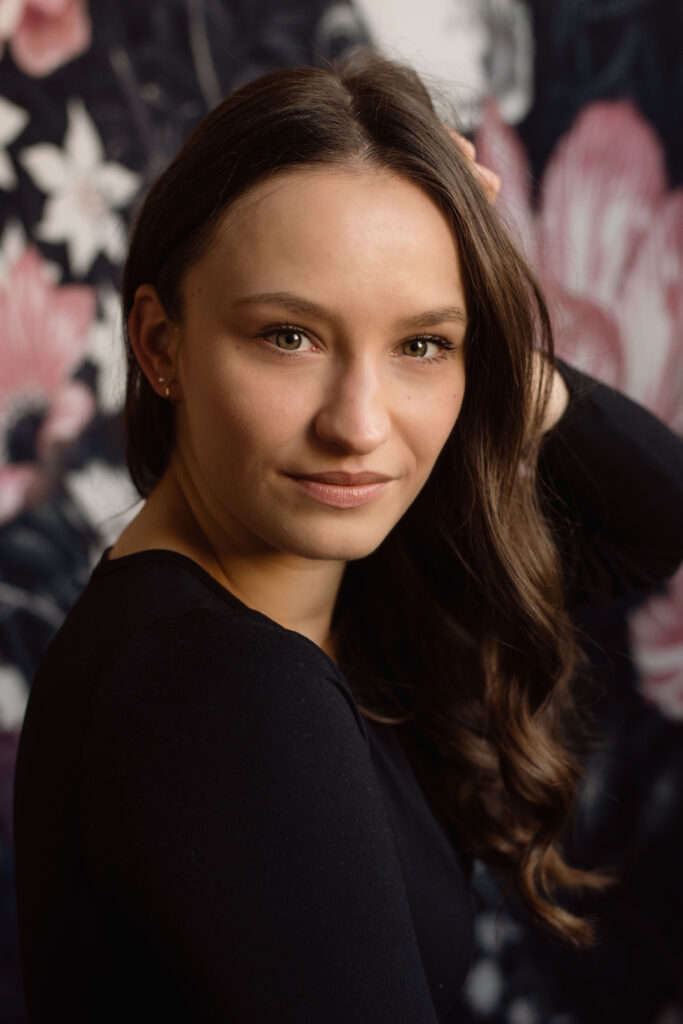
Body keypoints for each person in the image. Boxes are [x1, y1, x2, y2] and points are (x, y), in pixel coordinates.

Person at [12, 49, 683, 1023]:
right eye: (289, 336)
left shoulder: (341, 596)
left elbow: (652, 517)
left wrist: (469, 301)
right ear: (160, 344)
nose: (359, 427)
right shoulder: (226, 688)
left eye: (422, 345)